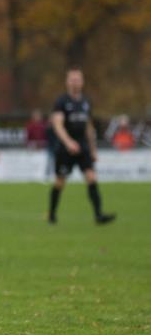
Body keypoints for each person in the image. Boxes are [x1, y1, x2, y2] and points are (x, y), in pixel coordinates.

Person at [48, 68, 115, 225]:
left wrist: (93, 149)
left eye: (78, 79)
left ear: (82, 82)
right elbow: (57, 125)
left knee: (91, 177)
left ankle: (99, 215)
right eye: (72, 79)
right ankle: (52, 214)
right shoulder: (61, 102)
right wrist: (68, 142)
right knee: (60, 182)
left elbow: (88, 127)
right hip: (65, 149)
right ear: (67, 82)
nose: (75, 82)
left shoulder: (86, 102)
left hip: (83, 147)